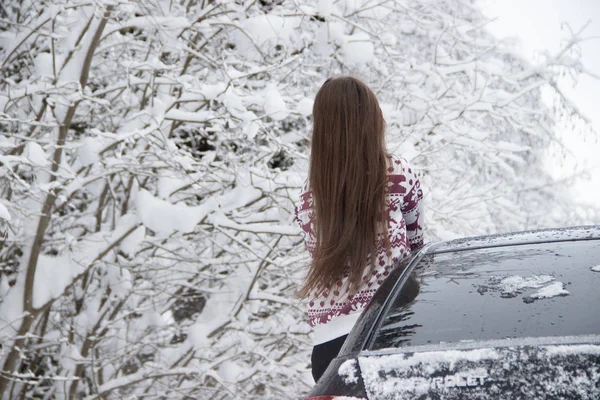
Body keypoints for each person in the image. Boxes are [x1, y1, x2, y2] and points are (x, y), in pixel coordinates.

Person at [293, 76, 424, 382]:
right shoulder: (396, 173)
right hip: (387, 328)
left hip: (328, 350)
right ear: (371, 121)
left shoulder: (307, 197)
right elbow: (418, 251)